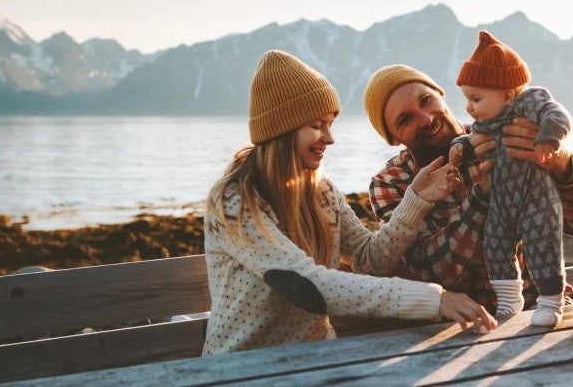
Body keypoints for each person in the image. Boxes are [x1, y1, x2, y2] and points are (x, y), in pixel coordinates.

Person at [202, 50, 496, 355]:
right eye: (317, 125)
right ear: (282, 129)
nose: (329, 138)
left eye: (330, 124)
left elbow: (370, 259)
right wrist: (436, 298)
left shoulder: (320, 189)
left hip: (319, 359)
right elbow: (306, 283)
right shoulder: (234, 201)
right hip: (241, 367)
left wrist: (416, 200)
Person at [363, 47, 573, 320]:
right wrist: (481, 198)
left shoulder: (512, 130)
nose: (427, 119)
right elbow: (428, 270)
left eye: (426, 100)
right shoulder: (391, 183)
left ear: (442, 95)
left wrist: (560, 162)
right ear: (393, 138)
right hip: (462, 325)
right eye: (406, 119)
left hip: (545, 307)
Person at [448, 30, 570, 326]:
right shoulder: (485, 124)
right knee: (496, 245)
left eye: (476, 98)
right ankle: (508, 299)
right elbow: (469, 139)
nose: (469, 107)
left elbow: (557, 114)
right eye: (467, 99)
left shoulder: (527, 104)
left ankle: (552, 302)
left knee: (543, 245)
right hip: (502, 205)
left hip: (535, 199)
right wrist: (458, 147)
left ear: (507, 94)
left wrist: (549, 139)